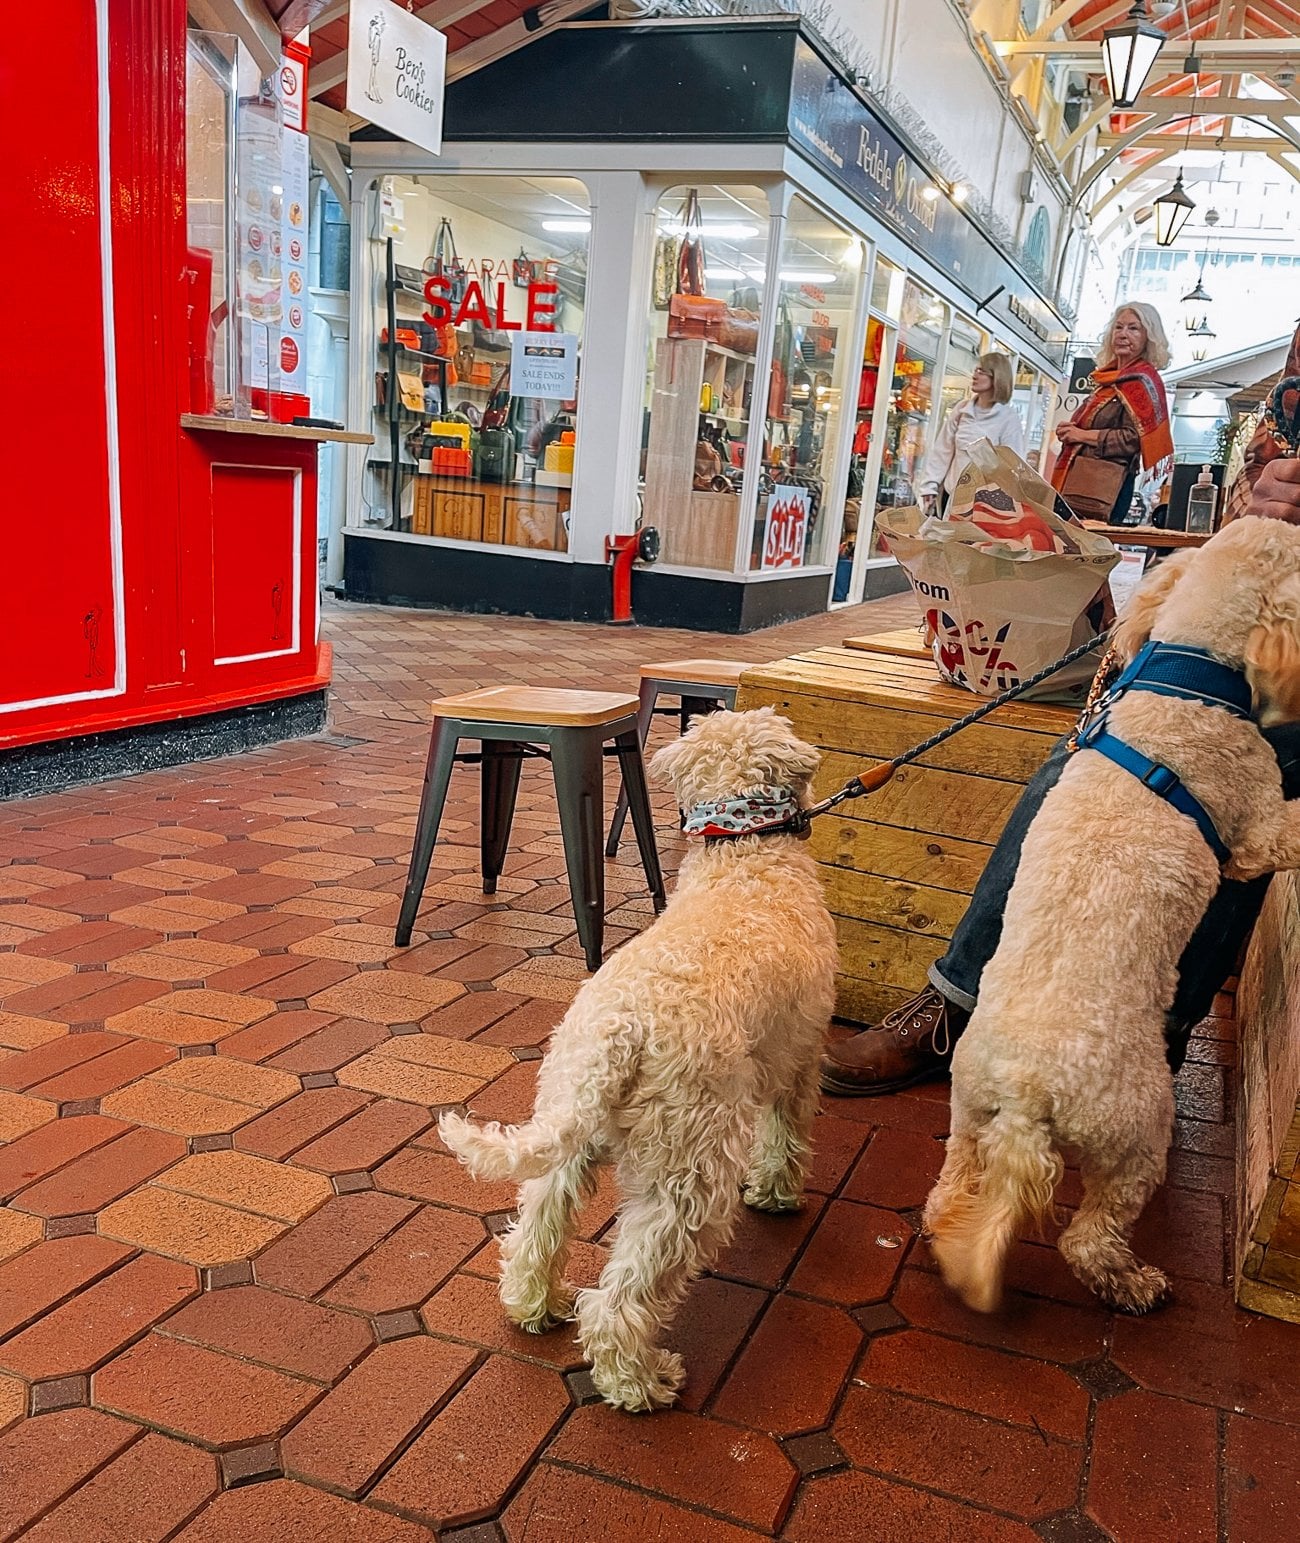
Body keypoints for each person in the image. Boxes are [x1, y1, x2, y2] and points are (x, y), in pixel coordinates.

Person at [822, 325, 1300, 1097]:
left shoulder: (1134, 390)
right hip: (1264, 618)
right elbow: (1247, 500)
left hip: (1289, 662)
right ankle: (956, 1002)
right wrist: (1265, 499)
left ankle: (1156, 1041)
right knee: (1099, 739)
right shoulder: (1282, 389)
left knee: (1260, 782)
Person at [1051, 302, 1172, 525]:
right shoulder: (1108, 378)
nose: (1123, 334)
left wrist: (1081, 436)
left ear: (1149, 337)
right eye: (1119, 327)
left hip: (1104, 487)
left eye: (1133, 328)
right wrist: (1070, 431)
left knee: (1084, 556)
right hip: (1080, 480)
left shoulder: (1142, 382)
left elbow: (1134, 440)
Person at [919, 354, 1024, 514]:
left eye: (982, 371)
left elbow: (1012, 465)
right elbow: (943, 450)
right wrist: (930, 485)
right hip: (951, 497)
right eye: (976, 370)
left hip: (984, 504)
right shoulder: (961, 410)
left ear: (997, 377)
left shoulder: (1008, 419)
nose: (975, 375)